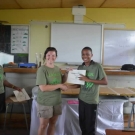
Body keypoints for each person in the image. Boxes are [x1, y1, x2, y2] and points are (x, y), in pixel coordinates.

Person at [65, 47, 108, 135]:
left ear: (91, 55)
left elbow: (105, 82)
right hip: (82, 100)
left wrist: (88, 80)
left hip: (91, 101)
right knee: (82, 125)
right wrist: (68, 87)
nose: (85, 56)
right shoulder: (80, 67)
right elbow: (79, 84)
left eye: (87, 54)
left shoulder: (97, 66)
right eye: (83, 54)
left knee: (90, 127)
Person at [36, 47, 68, 135]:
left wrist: (66, 74)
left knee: (53, 123)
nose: (51, 57)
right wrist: (59, 85)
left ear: (56, 57)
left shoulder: (57, 69)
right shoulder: (42, 70)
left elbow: (61, 81)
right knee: (43, 125)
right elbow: (43, 88)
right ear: (45, 56)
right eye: (49, 55)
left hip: (56, 101)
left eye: (53, 55)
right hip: (45, 102)